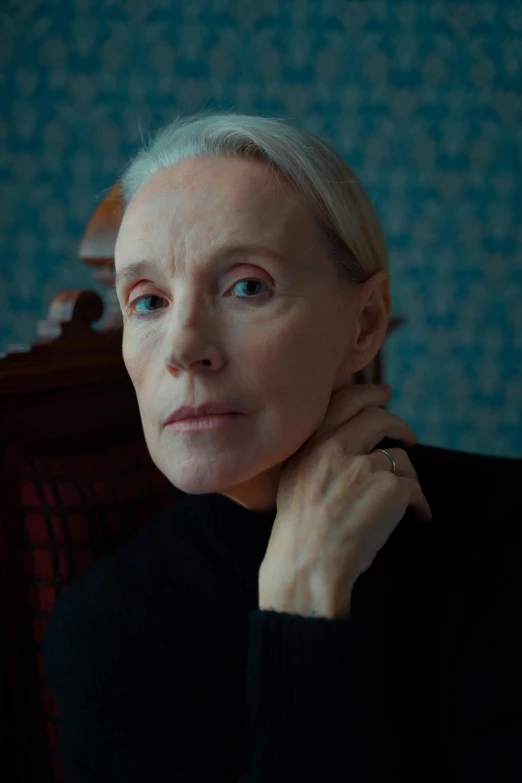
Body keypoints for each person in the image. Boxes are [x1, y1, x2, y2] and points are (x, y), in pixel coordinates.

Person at [42, 112, 522, 782]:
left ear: (365, 322)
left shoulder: (507, 534)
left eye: (247, 285)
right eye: (147, 301)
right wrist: (303, 601)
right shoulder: (110, 631)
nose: (182, 347)